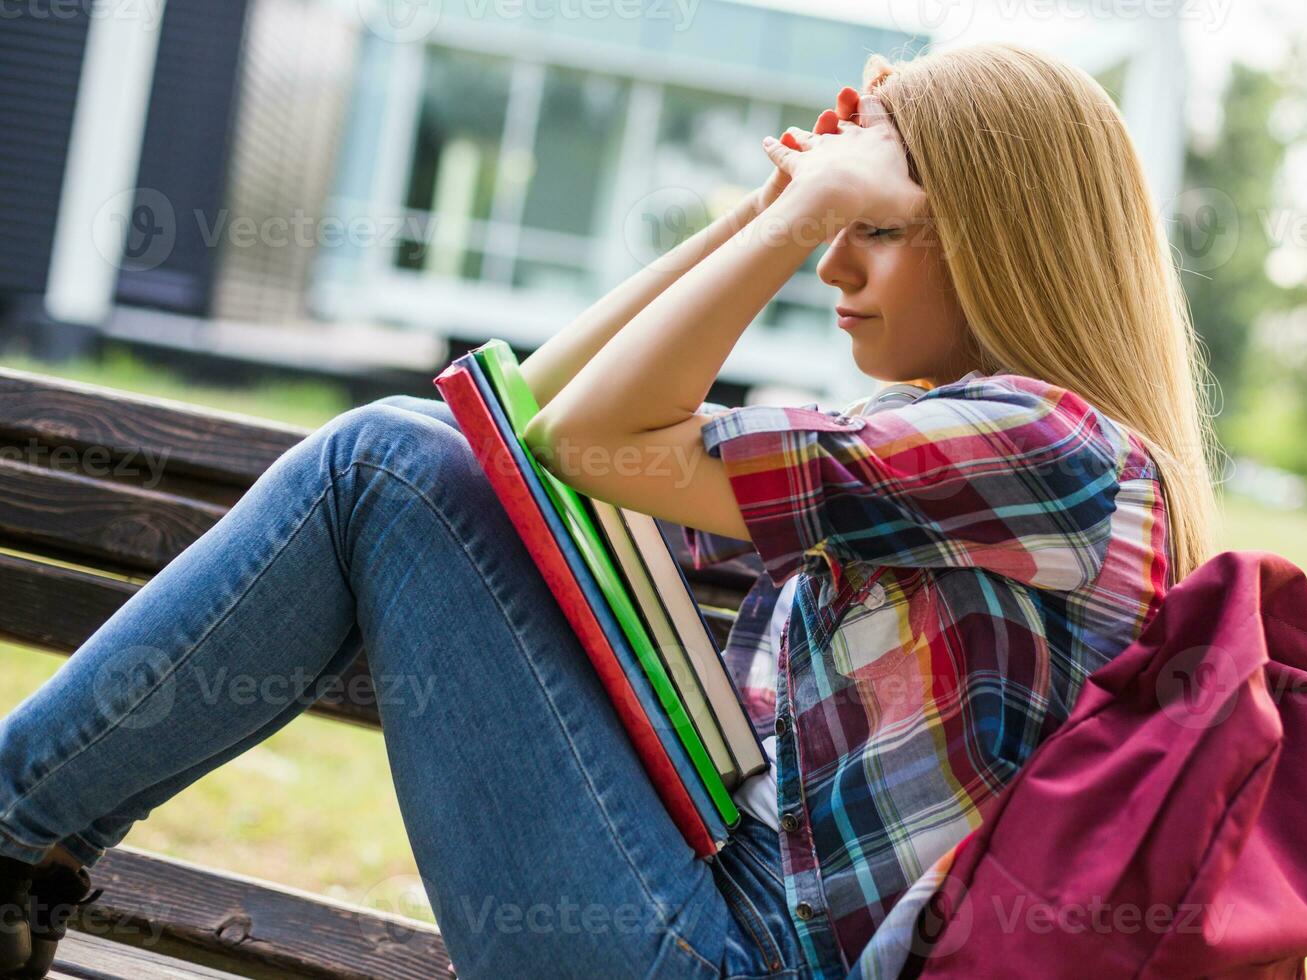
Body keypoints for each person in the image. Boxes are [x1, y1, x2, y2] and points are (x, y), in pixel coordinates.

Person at [0, 41, 1219, 980]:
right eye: (832, 228)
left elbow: (581, 436)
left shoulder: (1044, 446)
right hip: (713, 911)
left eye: (877, 229)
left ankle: (12, 832)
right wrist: (765, 210)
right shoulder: (963, 450)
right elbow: (535, 432)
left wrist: (791, 220)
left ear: (1003, 245)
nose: (835, 265)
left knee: (382, 460)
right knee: (418, 451)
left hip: (741, 955)